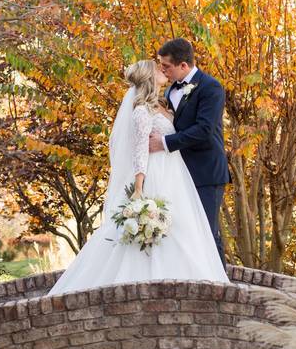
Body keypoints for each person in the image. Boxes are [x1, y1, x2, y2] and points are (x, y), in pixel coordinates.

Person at [47, 59, 228, 295]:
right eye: (157, 69)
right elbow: (140, 152)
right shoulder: (141, 111)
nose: (163, 70)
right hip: (158, 175)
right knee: (163, 229)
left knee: (185, 230)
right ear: (148, 78)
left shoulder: (163, 104)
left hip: (176, 175)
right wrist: (139, 188)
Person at [149, 38, 230, 265]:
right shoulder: (169, 92)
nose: (162, 70)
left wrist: (164, 143)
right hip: (178, 173)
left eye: (167, 66)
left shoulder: (210, 87)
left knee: (207, 231)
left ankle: (221, 286)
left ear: (183, 65)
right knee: (186, 234)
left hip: (205, 172)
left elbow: (204, 129)